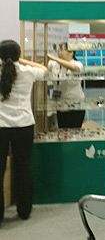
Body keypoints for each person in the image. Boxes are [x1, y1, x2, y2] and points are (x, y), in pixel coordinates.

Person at [0, 40, 47, 223]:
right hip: (24, 125)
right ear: (18, 54)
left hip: (1, 126)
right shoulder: (27, 72)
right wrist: (23, 61)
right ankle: (24, 210)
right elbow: (43, 69)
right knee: (23, 167)